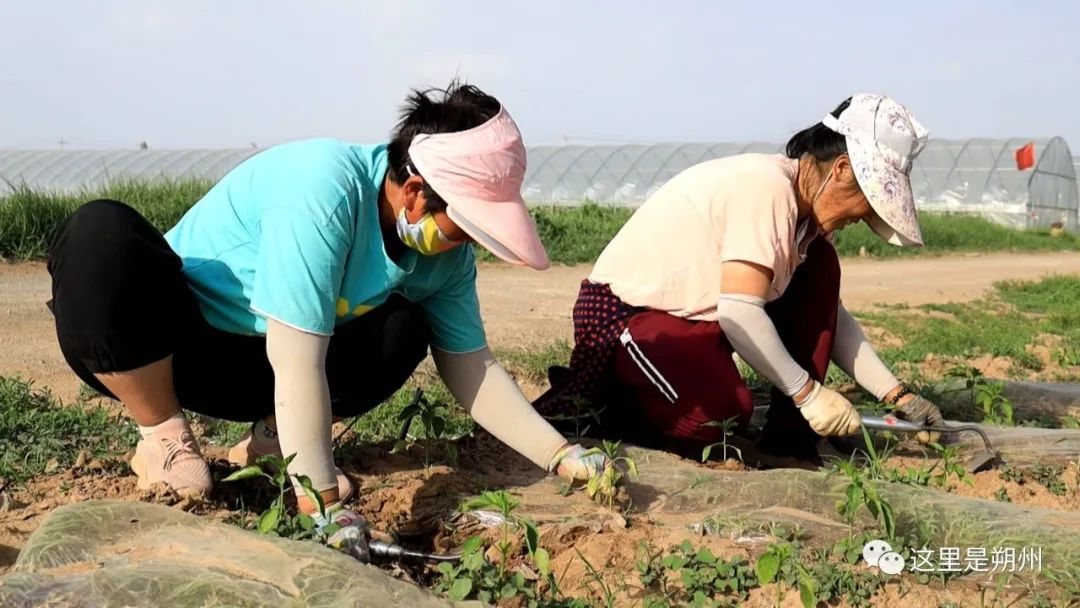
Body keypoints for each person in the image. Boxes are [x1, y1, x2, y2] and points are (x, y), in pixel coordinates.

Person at [46, 81, 606, 550]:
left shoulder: (444, 259)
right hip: (171, 346)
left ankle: (273, 442)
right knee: (101, 233)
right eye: (468, 225)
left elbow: (473, 368)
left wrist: (561, 455)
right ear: (415, 193)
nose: (472, 243)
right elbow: (296, 361)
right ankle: (163, 435)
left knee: (407, 324)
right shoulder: (323, 188)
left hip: (264, 372)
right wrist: (323, 505)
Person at [533, 93, 945, 463]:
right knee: (716, 418)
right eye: (865, 205)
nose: (861, 219)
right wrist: (808, 393)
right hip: (628, 321)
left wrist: (897, 395)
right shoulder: (766, 190)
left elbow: (827, 319)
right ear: (839, 169)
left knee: (821, 268)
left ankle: (789, 440)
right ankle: (614, 401)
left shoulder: (807, 226)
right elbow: (740, 313)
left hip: (696, 322)